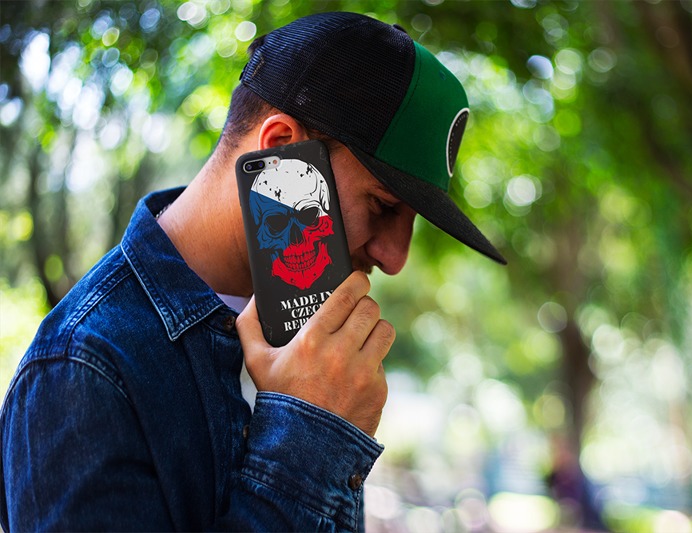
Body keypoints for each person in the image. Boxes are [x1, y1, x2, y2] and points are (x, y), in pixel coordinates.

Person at [0, 11, 505, 531]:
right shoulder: (82, 369)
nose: (395, 258)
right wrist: (310, 433)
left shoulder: (310, 345)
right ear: (282, 150)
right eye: (382, 205)